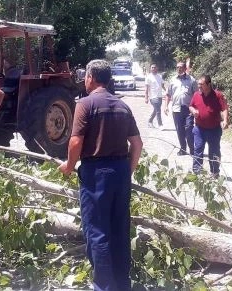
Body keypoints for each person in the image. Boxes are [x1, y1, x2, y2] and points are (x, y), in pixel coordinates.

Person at [59, 59, 143, 291]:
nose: (84, 80)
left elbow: (76, 141)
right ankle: (122, 285)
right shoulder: (122, 106)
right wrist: (127, 171)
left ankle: (104, 287)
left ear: (91, 77)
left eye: (85, 77)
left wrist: (69, 166)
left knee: (97, 232)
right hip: (120, 172)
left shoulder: (85, 104)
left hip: (96, 174)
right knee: (119, 230)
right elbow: (137, 144)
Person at [189, 75, 229, 177]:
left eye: (201, 84)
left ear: (209, 84)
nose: (199, 86)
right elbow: (191, 106)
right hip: (199, 129)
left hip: (214, 130)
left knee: (214, 151)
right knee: (198, 150)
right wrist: (193, 111)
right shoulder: (196, 95)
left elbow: (224, 108)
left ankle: (215, 172)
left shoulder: (218, 95)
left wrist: (225, 120)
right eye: (198, 84)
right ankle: (197, 173)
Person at [164, 62, 197, 155]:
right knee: (180, 130)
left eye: (181, 67)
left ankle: (192, 149)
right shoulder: (172, 80)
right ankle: (183, 149)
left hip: (188, 109)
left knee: (189, 129)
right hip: (176, 109)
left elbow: (196, 95)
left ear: (185, 68)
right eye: (177, 67)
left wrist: (196, 108)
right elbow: (168, 94)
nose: (179, 69)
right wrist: (166, 106)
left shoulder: (192, 80)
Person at [144, 64, 165, 128]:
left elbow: (162, 86)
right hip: (153, 97)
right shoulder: (148, 77)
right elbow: (146, 89)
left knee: (156, 110)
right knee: (158, 110)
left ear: (157, 68)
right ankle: (160, 124)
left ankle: (150, 121)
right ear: (150, 69)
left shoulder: (160, 76)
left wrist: (167, 92)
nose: (153, 68)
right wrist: (146, 98)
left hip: (159, 96)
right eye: (152, 67)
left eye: (154, 67)